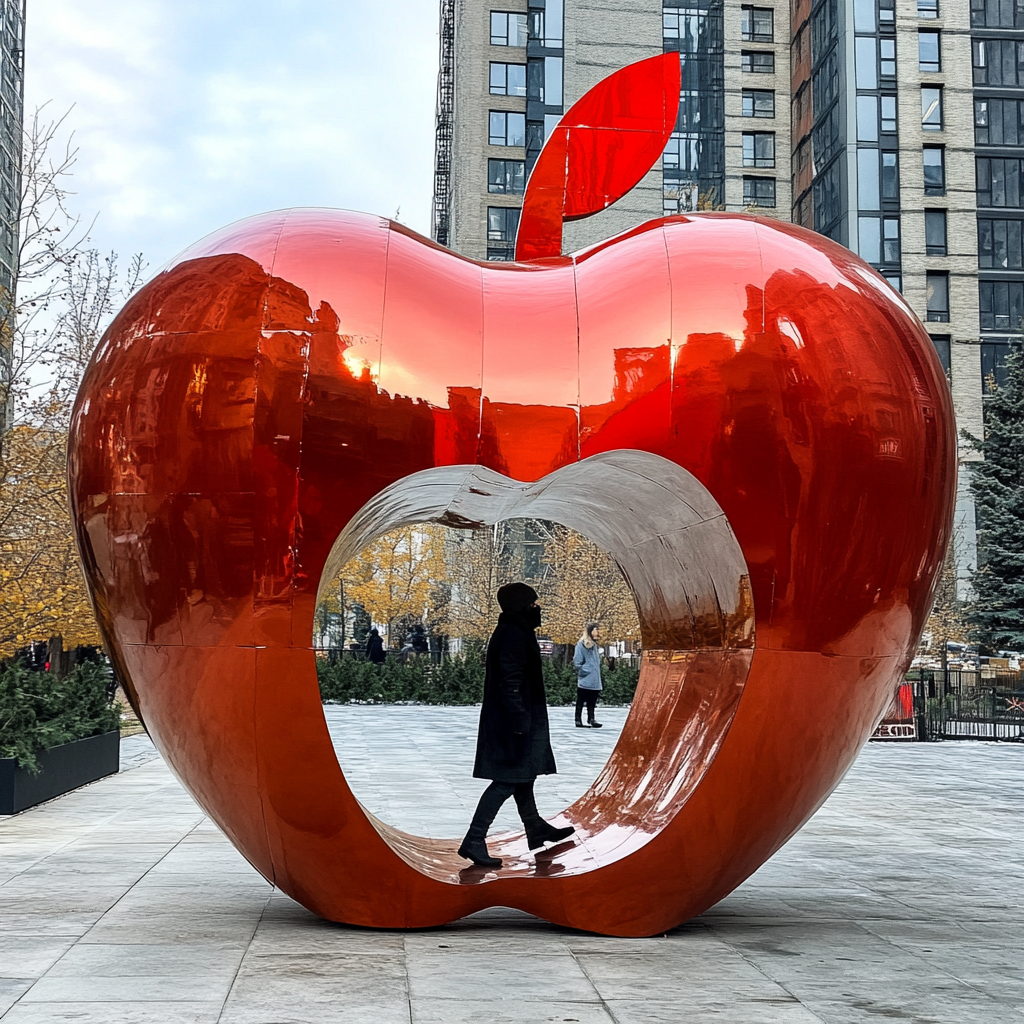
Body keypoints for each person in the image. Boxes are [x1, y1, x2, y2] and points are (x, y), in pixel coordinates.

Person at [458, 582, 576, 869]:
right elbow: (510, 682)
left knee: (523, 775)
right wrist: (519, 721)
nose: (537, 608)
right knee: (507, 779)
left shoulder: (516, 630)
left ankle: (535, 827)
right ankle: (474, 838)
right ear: (520, 606)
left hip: (518, 715)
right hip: (514, 718)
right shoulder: (512, 634)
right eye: (532, 604)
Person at [573, 622, 603, 728]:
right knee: (581, 699)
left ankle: (591, 718)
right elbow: (577, 661)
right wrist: (585, 671)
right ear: (590, 631)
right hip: (586, 677)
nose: (597, 632)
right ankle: (578, 719)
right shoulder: (581, 644)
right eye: (595, 629)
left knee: (592, 699)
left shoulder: (594, 645)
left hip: (594, 678)